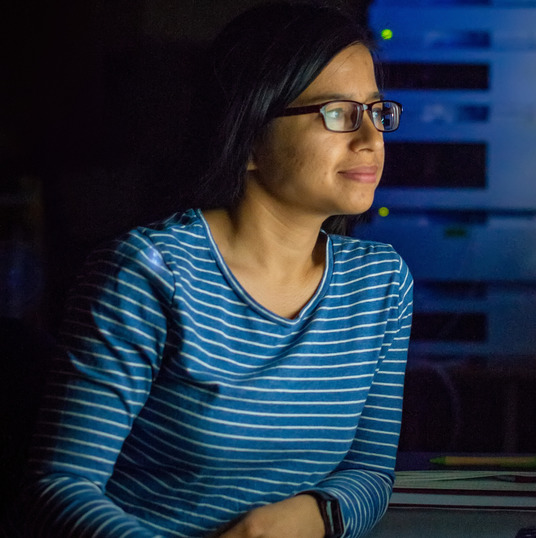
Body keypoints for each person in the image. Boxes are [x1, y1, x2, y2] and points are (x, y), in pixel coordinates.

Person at [16, 2, 413, 537]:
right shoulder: (149, 273)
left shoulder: (382, 284)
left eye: (376, 111)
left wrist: (305, 517)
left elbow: (369, 473)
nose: (371, 139)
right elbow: (57, 487)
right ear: (249, 136)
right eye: (339, 113)